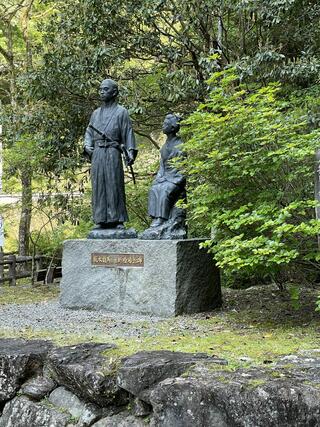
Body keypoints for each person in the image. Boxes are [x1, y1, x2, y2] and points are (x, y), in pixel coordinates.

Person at [84, 79, 137, 230]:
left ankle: (118, 219)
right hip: (98, 153)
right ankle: (100, 219)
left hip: (113, 151)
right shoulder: (95, 114)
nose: (101, 92)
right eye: (100, 89)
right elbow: (89, 132)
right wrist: (88, 146)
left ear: (114, 92)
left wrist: (130, 152)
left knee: (114, 184)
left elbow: (128, 132)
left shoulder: (122, 112)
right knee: (99, 185)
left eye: (105, 89)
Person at [148, 113, 186, 228]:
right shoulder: (164, 146)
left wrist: (172, 179)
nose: (163, 126)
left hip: (176, 178)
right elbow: (162, 166)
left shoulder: (180, 145)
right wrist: (160, 177)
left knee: (165, 190)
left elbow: (182, 168)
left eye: (166, 124)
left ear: (173, 127)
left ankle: (161, 219)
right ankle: (155, 218)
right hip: (165, 176)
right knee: (154, 188)